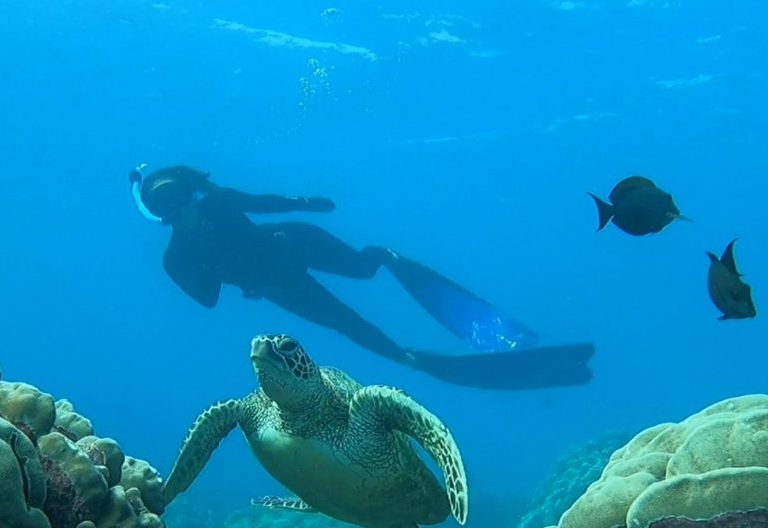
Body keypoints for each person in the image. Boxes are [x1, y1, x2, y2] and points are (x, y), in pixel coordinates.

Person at [128, 164, 595, 390]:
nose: (179, 209)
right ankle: (410, 359)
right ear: (156, 214)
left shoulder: (221, 202)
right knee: (347, 323)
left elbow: (264, 202)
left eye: (182, 197)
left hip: (294, 241)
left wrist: (307, 202)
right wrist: (203, 264)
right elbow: (207, 300)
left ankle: (389, 258)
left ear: (193, 192)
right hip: (279, 285)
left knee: (364, 268)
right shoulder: (175, 258)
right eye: (166, 206)